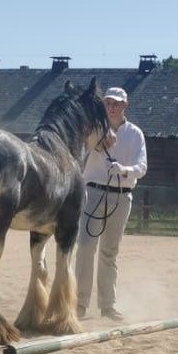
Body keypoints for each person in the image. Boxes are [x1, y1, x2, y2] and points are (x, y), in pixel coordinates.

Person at [75, 87, 147, 321]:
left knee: (109, 252)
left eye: (117, 103)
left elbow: (142, 167)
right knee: (86, 246)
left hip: (122, 195)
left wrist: (124, 170)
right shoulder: (94, 128)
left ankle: (107, 306)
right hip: (94, 192)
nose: (112, 107)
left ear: (125, 105)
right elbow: (83, 149)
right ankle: (79, 303)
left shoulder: (135, 134)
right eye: (108, 103)